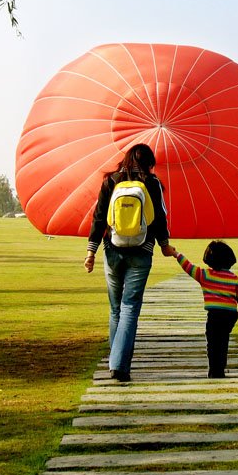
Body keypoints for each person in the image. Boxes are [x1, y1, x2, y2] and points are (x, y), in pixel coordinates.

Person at [84, 143, 171, 383]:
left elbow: (99, 217)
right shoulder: (152, 184)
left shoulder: (110, 181)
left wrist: (91, 252)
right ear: (149, 163)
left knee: (115, 308)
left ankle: (116, 361)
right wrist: (164, 244)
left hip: (112, 250)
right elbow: (159, 218)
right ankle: (119, 365)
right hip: (142, 251)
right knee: (130, 307)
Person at [166, 241, 238, 378]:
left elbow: (188, 267)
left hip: (215, 315)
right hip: (230, 315)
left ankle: (214, 370)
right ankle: (220, 369)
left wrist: (176, 254)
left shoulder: (205, 275)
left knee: (213, 343)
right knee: (223, 341)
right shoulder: (234, 278)